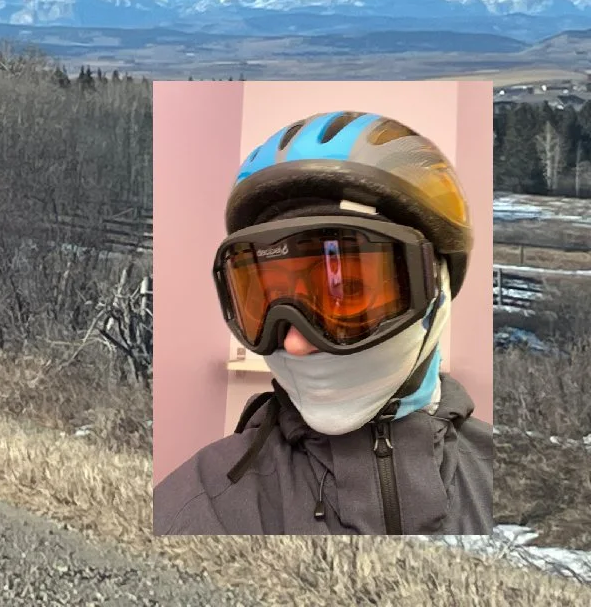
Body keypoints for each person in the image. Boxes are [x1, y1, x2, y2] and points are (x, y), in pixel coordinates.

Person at [153, 110, 493, 535]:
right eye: (268, 300)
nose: (295, 343)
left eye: (346, 292)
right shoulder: (199, 506)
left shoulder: (502, 480)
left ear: (435, 289)